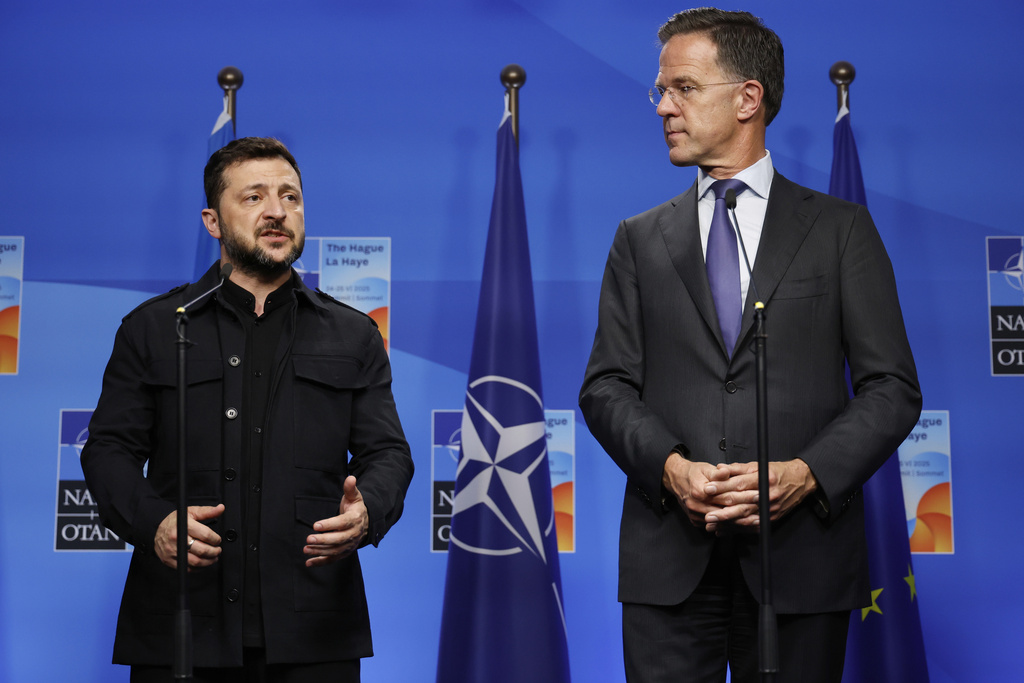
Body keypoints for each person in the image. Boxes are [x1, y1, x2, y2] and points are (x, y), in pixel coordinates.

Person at [578, 9, 921, 683]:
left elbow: (892, 388)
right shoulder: (639, 239)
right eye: (661, 90)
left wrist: (807, 473)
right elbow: (605, 386)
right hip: (668, 561)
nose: (662, 107)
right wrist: (673, 467)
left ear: (748, 98)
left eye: (682, 88)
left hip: (800, 561)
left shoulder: (840, 230)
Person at [82, 137, 414, 682]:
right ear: (213, 221)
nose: (278, 211)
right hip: (181, 627)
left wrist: (368, 512)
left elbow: (388, 452)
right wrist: (155, 521)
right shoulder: (155, 327)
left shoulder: (354, 335)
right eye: (254, 197)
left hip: (314, 631)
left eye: (291, 197)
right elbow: (109, 450)